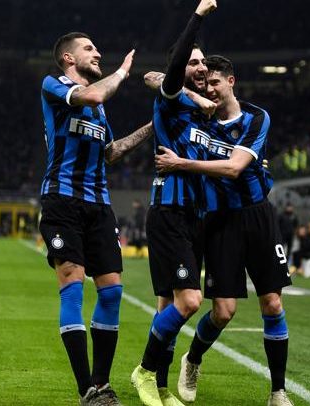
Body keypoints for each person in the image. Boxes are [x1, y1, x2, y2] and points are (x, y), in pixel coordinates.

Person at [155, 55, 294, 406]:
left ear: (231, 82)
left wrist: (181, 162)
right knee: (223, 311)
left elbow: (234, 168)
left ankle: (278, 391)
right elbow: (155, 78)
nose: (211, 89)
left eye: (216, 83)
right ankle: (194, 359)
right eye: (207, 83)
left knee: (273, 303)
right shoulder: (199, 117)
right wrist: (194, 96)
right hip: (218, 220)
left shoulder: (256, 117)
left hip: (258, 215)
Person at [38, 32, 152, 405]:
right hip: (62, 202)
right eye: (89, 49)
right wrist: (121, 72)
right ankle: (86, 386)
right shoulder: (55, 85)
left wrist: (155, 124)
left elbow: (112, 151)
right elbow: (95, 93)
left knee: (113, 290)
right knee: (72, 284)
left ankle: (100, 384)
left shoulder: (100, 111)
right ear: (68, 58)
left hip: (99, 205)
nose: (97, 52)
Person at [129, 2, 217, 406]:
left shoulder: (202, 114)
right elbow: (165, 71)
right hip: (169, 211)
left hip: (194, 216)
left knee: (167, 304)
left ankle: (161, 387)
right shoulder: (169, 98)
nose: (199, 66)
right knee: (190, 301)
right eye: (193, 61)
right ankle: (144, 371)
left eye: (204, 62)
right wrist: (198, 15)